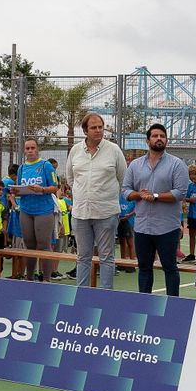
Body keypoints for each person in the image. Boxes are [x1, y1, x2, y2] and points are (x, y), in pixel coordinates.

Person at [122, 123, 190, 296]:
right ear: (148, 141)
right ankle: (144, 304)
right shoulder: (135, 165)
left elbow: (180, 193)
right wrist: (139, 195)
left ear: (166, 140)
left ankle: (173, 305)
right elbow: (125, 190)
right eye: (155, 136)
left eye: (162, 136)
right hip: (142, 226)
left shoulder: (177, 164)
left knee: (170, 268)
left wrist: (156, 196)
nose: (159, 138)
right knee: (144, 268)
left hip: (167, 227)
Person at [66, 113, 129, 289]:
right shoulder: (75, 151)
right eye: (93, 127)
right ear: (85, 131)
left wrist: (103, 196)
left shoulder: (114, 150)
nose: (98, 130)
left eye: (101, 127)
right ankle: (82, 295)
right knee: (82, 257)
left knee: (107, 257)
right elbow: (71, 179)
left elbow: (123, 178)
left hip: (106, 213)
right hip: (80, 213)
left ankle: (106, 297)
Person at [12, 139, 60, 280]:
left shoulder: (46, 166)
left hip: (43, 210)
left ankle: (46, 279)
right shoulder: (21, 168)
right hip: (26, 210)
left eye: (33, 148)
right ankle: (29, 278)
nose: (30, 151)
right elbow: (20, 187)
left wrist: (42, 189)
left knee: (44, 245)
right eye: (27, 148)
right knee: (29, 245)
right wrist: (16, 191)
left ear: (37, 149)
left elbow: (55, 187)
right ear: (24, 151)